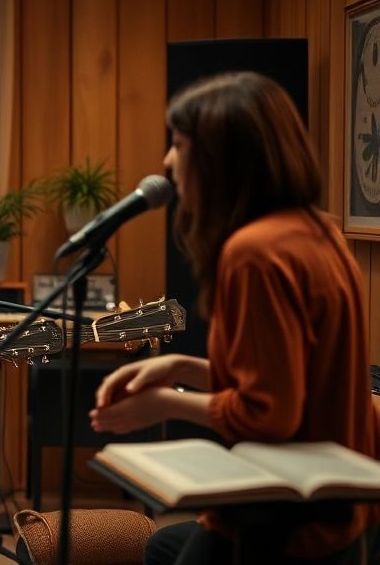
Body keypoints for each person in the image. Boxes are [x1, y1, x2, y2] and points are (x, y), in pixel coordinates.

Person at [89, 71, 380, 564]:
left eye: (179, 144)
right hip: (338, 521)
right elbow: (292, 388)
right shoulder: (320, 233)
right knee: (165, 546)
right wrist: (180, 367)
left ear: (222, 161)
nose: (166, 161)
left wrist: (166, 404)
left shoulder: (254, 253)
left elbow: (269, 415)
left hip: (280, 525)